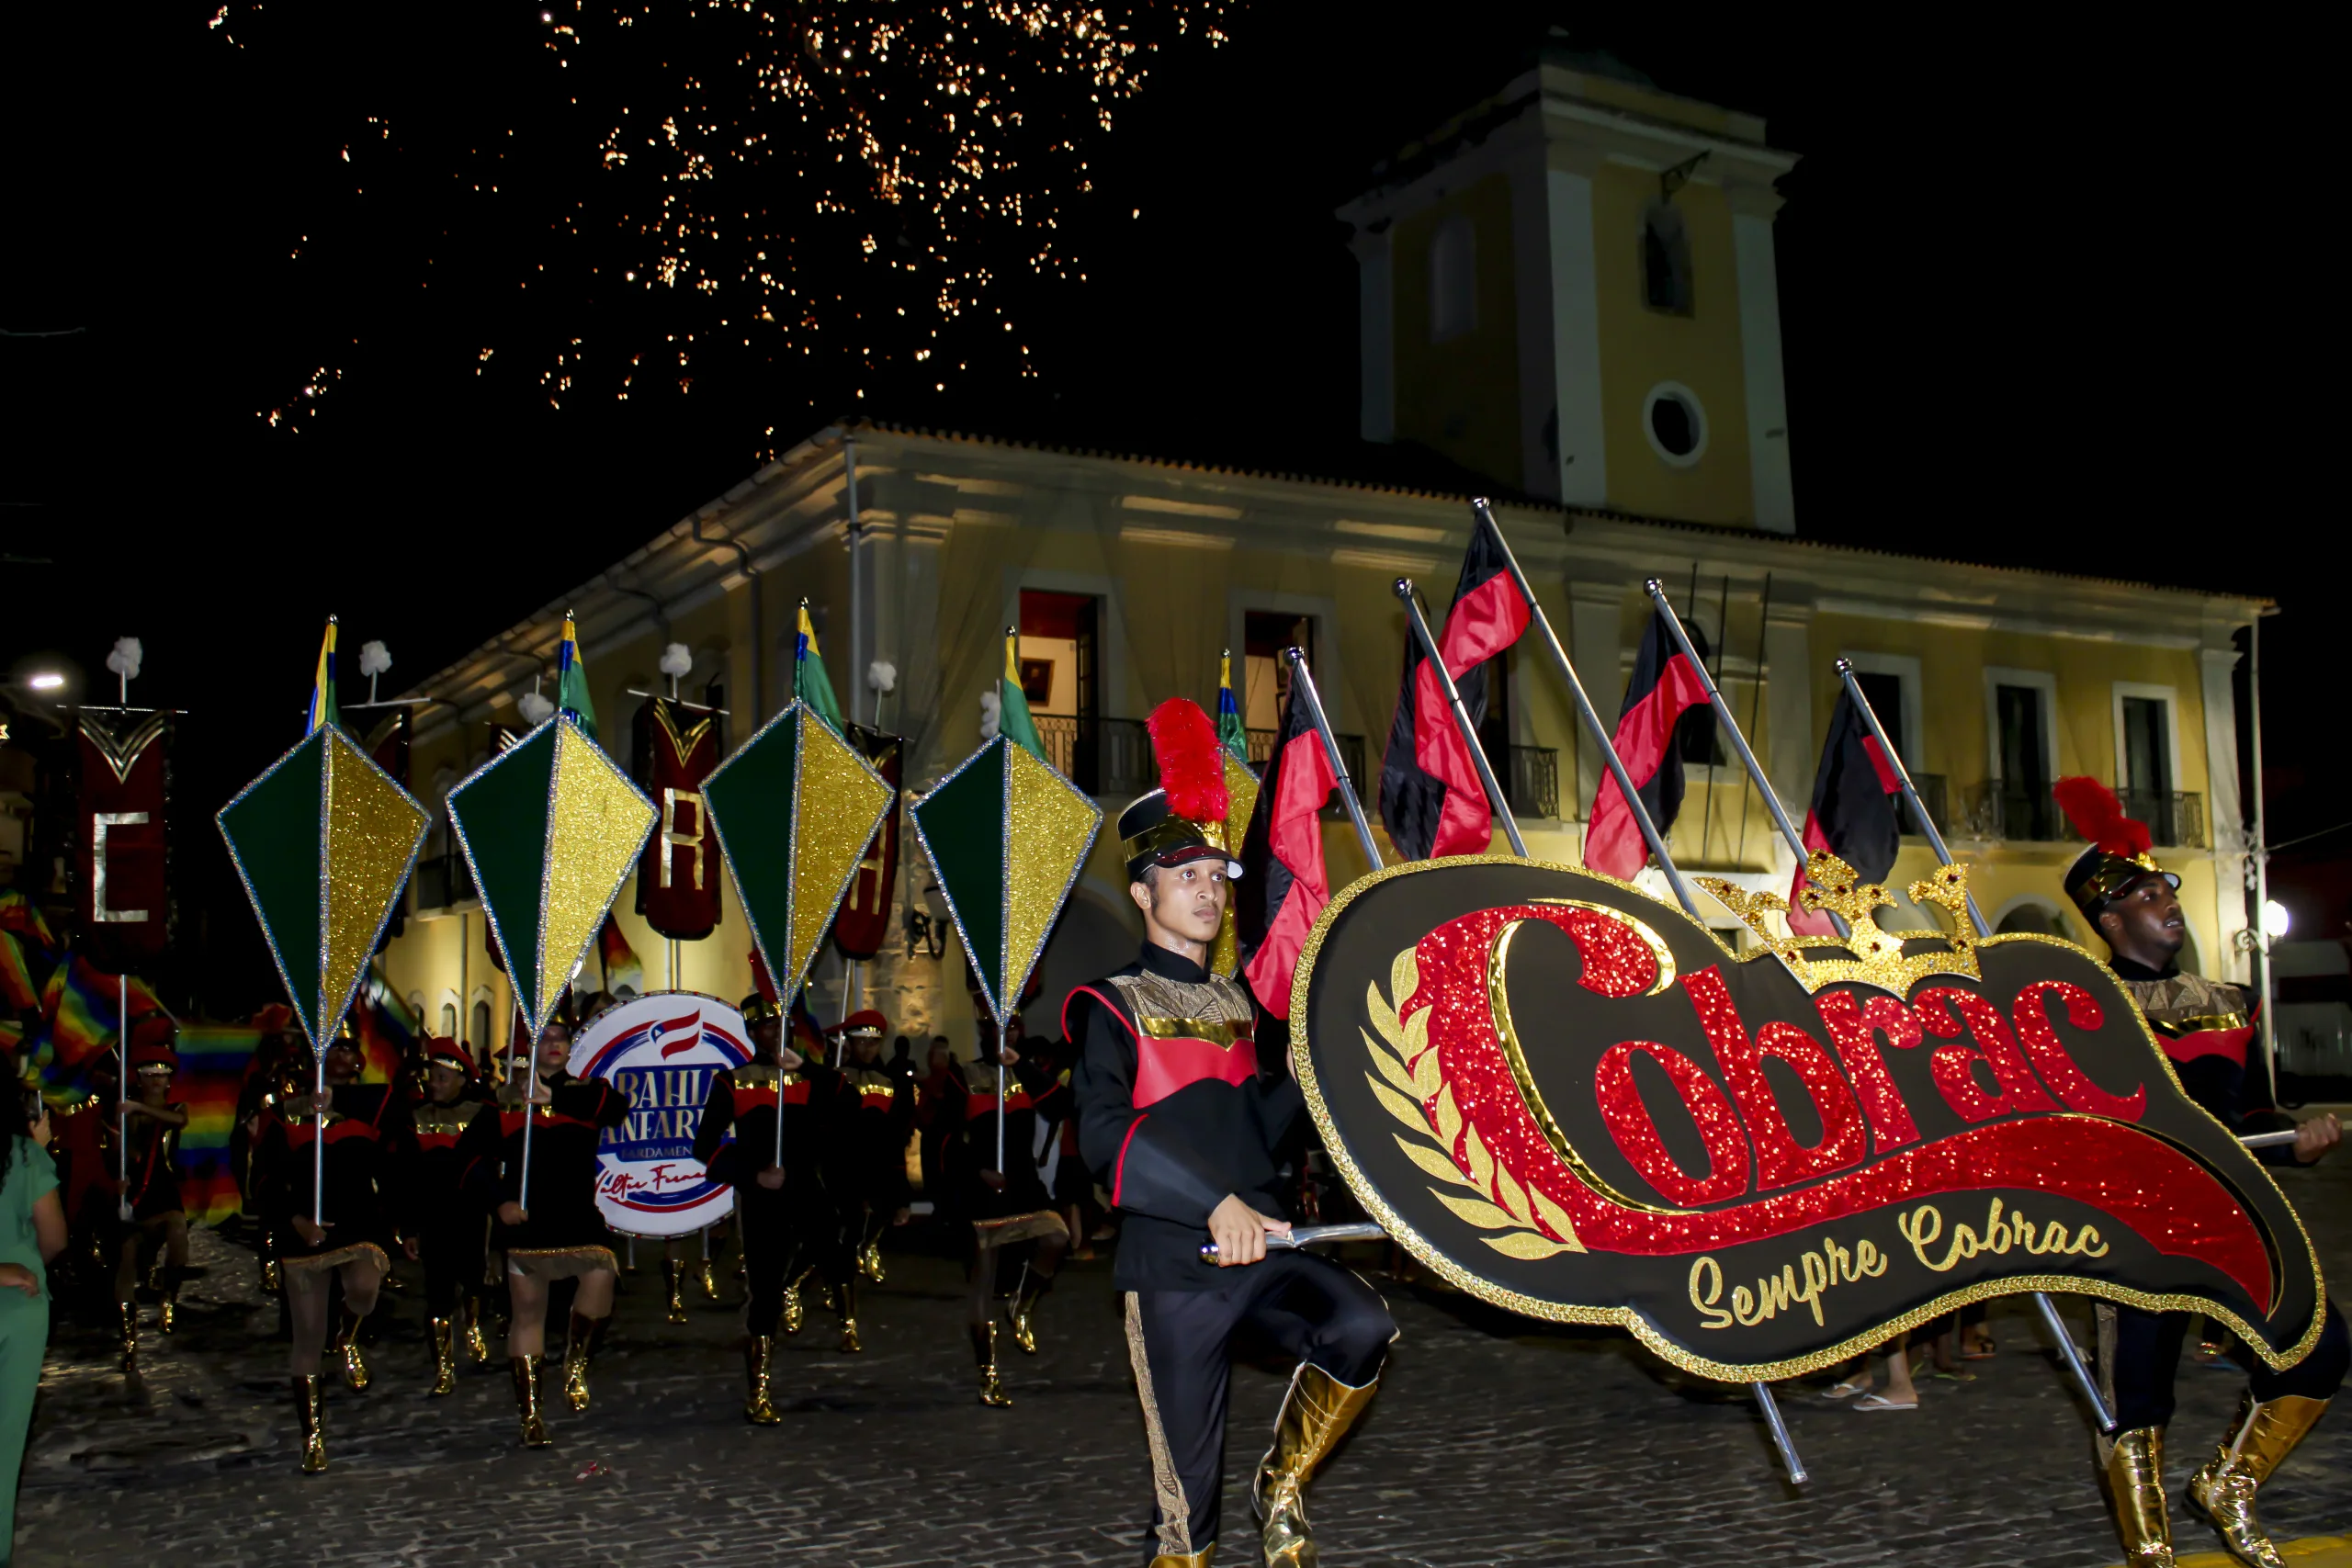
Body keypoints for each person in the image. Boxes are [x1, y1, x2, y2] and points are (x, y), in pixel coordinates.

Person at [1072, 720, 1394, 1568]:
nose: (1210, 893)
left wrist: (1323, 1069)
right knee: (1188, 1520)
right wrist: (1211, 1201)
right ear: (1143, 893)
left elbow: (1258, 1128)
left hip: (1262, 1246)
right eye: (1188, 877)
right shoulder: (1107, 1005)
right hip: (1173, 1265)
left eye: (1217, 876)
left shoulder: (1243, 1009)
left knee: (1362, 1324)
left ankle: (1282, 1481)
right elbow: (1105, 1136)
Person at [2059, 791, 2346, 1568]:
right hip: (2138, 1227)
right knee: (2138, 1396)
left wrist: (2301, 1140)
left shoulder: (2228, 1002)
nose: (2168, 904)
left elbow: (2255, 1115)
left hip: (2235, 1216)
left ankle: (2229, 1483)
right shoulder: (2083, 1009)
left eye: (2168, 891)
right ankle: (2150, 1549)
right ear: (2111, 919)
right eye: (2147, 896)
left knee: (2317, 1349)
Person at [456, 1016, 628, 1447]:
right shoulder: (504, 1103)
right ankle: (530, 1414)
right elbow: (468, 1160)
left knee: (601, 1280)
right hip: (527, 1222)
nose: (554, 1044)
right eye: (544, 1038)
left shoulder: (589, 1091)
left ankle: (576, 1358)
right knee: (527, 1315)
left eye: (561, 1038)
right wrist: (500, 1202)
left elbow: (617, 1109)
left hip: (577, 1217)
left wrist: (554, 1098)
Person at [251, 1023, 414, 1473]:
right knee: (307, 1335)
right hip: (303, 1229)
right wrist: (296, 1221)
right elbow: (263, 1179)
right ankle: (313, 1436)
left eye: (346, 1047)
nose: (339, 1056)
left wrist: (402, 1219)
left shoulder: (375, 1106)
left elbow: (397, 1162)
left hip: (357, 1224)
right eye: (329, 1048)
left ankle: (348, 1336)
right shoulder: (282, 1113)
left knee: (364, 1289)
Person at [693, 991, 850, 1424]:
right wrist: (752, 1175)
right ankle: (758, 1390)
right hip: (763, 1192)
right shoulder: (733, 1080)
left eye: (781, 1025)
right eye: (765, 1027)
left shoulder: (808, 1077)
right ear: (753, 1033)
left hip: (805, 1186)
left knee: (833, 1249)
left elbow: (848, 1102)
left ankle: (793, 1286)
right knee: (762, 1291)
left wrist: (811, 1071)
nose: (774, 1033)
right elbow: (704, 1147)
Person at [939, 1013, 1067, 1406]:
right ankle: (988, 1374)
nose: (1006, 1033)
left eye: (1013, 1026)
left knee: (1057, 1237)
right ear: (984, 1030)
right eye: (998, 1026)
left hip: (1024, 1186)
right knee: (984, 1280)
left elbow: (1060, 1105)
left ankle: (1021, 1304)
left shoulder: (1027, 1074)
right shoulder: (965, 1074)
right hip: (983, 1188)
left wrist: (1022, 1065)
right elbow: (944, 1136)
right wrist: (975, 1169)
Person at [411, 1035, 493, 1395]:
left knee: (474, 1278)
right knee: (437, 1291)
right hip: (432, 1215)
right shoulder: (416, 1116)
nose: (434, 1084)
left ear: (461, 1078)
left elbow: (485, 1165)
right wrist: (409, 1223)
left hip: (470, 1212)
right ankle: (443, 1366)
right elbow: (406, 1171)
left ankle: (473, 1324)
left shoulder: (480, 1113)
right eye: (432, 1077)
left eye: (442, 1077)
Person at [109, 1017, 190, 1369]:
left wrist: (139, 1109)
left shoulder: (174, 1109)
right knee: (127, 1263)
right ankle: (128, 1340)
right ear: (139, 1078)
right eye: (150, 1075)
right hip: (133, 1193)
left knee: (178, 1233)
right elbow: (114, 1153)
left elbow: (179, 1122)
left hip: (164, 1188)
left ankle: (169, 1298)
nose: (158, 1082)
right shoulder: (123, 1110)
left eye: (163, 1076)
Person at [828, 1010, 911, 1286]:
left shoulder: (892, 1081)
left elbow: (898, 1131)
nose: (867, 1047)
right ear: (850, 1043)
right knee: (843, 1227)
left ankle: (867, 1247)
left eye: (872, 1041)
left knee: (882, 1212)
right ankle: (838, 1280)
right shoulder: (836, 1078)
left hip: (880, 1163)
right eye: (860, 1041)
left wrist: (901, 1191)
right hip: (844, 1163)